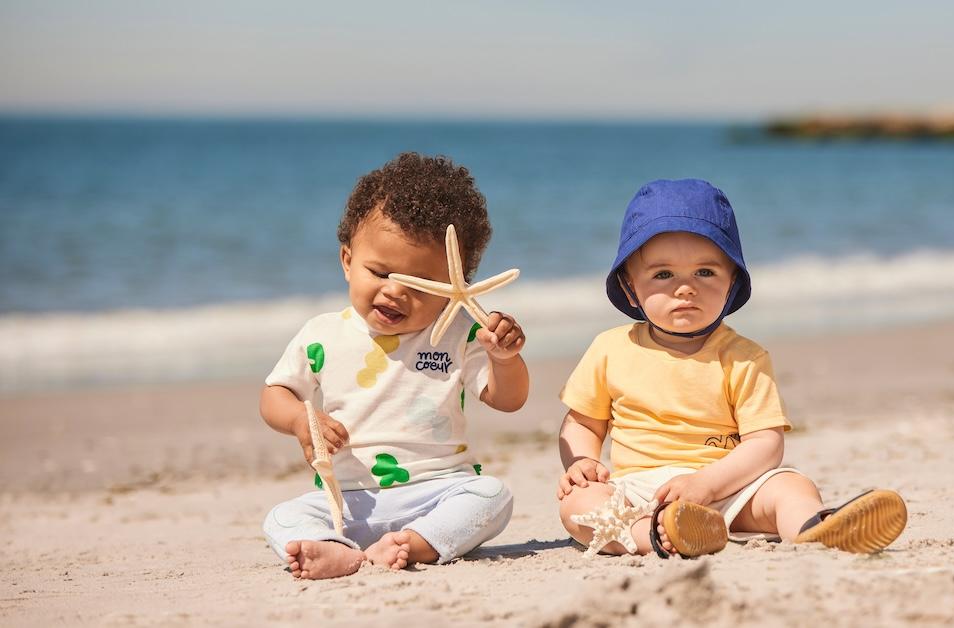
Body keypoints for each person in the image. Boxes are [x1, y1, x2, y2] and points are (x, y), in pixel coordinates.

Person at [557, 178, 907, 558]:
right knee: (578, 505)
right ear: (629, 287)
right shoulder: (610, 349)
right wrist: (585, 462)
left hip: (726, 485)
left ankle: (816, 528)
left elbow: (765, 443)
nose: (685, 288)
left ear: (732, 282)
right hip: (638, 491)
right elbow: (583, 422)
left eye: (705, 272)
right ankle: (657, 536)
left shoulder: (743, 357)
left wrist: (706, 485)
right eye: (663, 274)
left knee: (791, 486)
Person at [261, 153, 529, 579]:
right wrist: (300, 419)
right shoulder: (321, 334)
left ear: (450, 287)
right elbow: (275, 394)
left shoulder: (459, 332)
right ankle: (336, 547)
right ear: (347, 260)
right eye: (380, 271)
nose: (394, 292)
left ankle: (414, 543)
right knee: (282, 517)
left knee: (492, 496)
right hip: (346, 499)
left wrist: (505, 358)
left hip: (438, 491)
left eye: (419, 283)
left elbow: (508, 399)